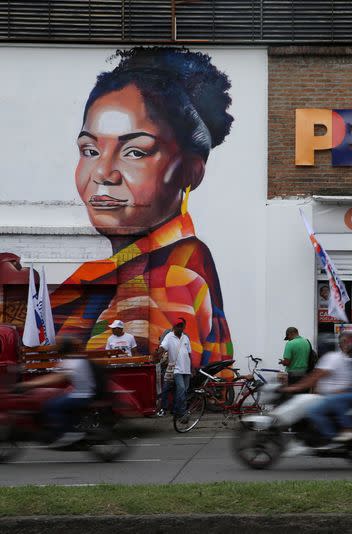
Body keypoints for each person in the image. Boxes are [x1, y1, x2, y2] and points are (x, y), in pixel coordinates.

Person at [1, 48, 235, 367]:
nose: (102, 173)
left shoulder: (170, 276)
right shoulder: (121, 267)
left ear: (190, 171)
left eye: (135, 152)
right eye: (90, 149)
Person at [14, 337, 97, 448]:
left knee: (51, 405)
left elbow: (55, 378)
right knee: (58, 400)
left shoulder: (70, 362)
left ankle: (69, 434)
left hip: (82, 395)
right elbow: (54, 377)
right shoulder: (77, 359)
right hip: (83, 393)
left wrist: (28, 384)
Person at [283, 330, 352, 445]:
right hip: (328, 393)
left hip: (333, 396)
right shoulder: (332, 356)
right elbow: (317, 377)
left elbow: (315, 377)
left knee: (313, 411)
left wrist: (293, 388)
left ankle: (330, 438)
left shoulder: (331, 358)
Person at [156, 319, 193, 421]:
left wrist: (192, 368)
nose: (180, 328)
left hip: (186, 369)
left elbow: (189, 353)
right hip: (176, 369)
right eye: (178, 326)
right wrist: (158, 354)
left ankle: (176, 411)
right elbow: (163, 347)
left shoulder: (186, 338)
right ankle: (182, 413)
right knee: (180, 389)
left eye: (181, 326)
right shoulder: (169, 336)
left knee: (184, 392)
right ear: (174, 327)